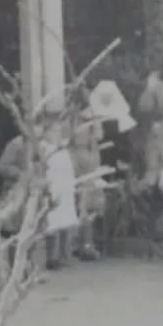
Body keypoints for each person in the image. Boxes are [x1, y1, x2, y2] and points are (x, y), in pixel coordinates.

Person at [41, 117, 80, 270]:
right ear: (46, 133)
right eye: (53, 131)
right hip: (52, 189)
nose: (56, 134)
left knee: (66, 222)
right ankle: (52, 258)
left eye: (58, 131)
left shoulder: (62, 148)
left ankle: (64, 255)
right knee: (52, 224)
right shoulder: (43, 148)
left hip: (65, 189)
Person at [70, 106, 107, 261]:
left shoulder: (93, 125)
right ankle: (79, 245)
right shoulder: (75, 122)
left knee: (92, 207)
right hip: (83, 164)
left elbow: (99, 135)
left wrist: (96, 121)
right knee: (82, 206)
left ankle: (87, 243)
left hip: (92, 163)